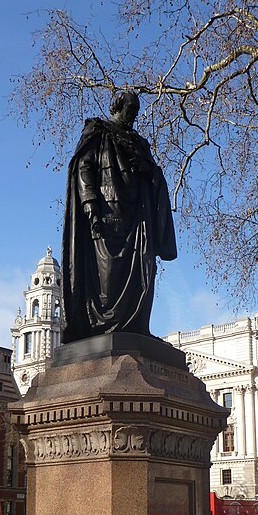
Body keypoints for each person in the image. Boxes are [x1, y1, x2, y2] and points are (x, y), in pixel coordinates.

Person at [61, 90, 177, 343]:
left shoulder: (140, 143)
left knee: (144, 271)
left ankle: (137, 326)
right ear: (117, 106)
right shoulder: (98, 131)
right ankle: (105, 326)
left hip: (138, 218)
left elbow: (153, 175)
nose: (134, 115)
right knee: (109, 274)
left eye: (136, 111)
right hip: (107, 217)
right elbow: (85, 168)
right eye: (130, 109)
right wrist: (90, 208)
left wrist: (150, 171)